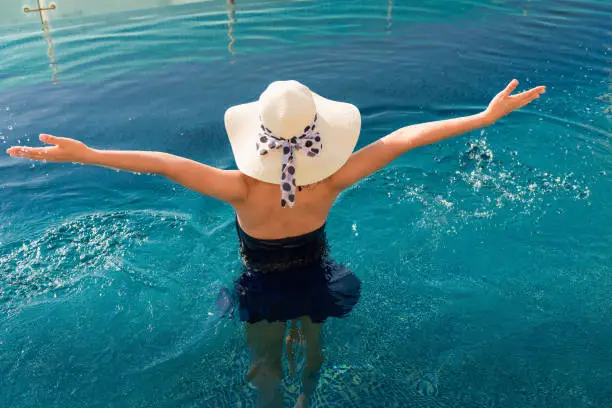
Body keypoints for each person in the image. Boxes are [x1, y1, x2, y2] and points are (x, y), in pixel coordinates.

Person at [6, 79, 545, 407]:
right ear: (319, 135)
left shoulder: (238, 187)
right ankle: (308, 395)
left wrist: (87, 155)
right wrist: (483, 116)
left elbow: (161, 163)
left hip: (260, 286)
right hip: (315, 278)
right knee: (313, 346)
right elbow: (405, 138)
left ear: (258, 138)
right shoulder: (331, 180)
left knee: (263, 365)